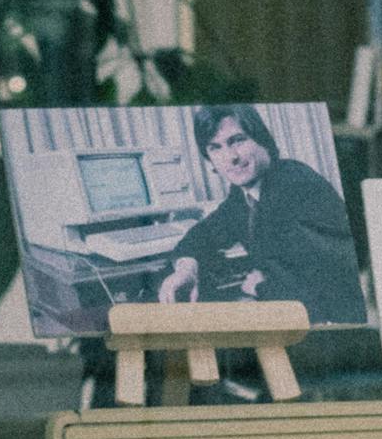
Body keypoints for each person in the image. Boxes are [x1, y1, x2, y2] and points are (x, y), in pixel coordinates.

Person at [157, 104, 368, 325]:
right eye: (215, 148)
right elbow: (204, 233)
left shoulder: (296, 186)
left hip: (336, 325)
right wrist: (186, 269)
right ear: (210, 161)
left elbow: (325, 288)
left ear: (262, 139)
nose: (230, 157)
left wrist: (258, 286)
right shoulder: (243, 195)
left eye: (237, 140)